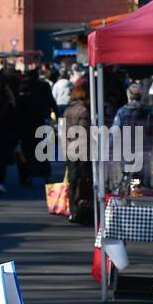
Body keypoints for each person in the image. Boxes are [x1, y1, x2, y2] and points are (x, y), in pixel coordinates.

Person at [111, 81, 153, 188]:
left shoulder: (122, 112)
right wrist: (150, 149)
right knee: (140, 180)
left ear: (128, 96)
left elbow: (115, 132)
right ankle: (138, 196)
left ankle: (130, 197)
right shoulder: (148, 112)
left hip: (126, 150)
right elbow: (152, 132)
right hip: (143, 150)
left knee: (127, 177)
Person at [17, 67, 56, 185]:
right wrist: (57, 115)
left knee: (26, 150)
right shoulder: (43, 86)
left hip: (24, 124)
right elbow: (51, 101)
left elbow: (17, 106)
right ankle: (44, 173)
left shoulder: (22, 87)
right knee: (42, 149)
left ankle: (26, 175)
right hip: (41, 121)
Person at [63, 79, 94, 225]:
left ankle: (73, 211)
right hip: (82, 150)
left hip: (70, 149)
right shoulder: (84, 111)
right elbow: (84, 132)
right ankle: (82, 208)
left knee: (73, 181)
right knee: (84, 180)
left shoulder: (68, 110)